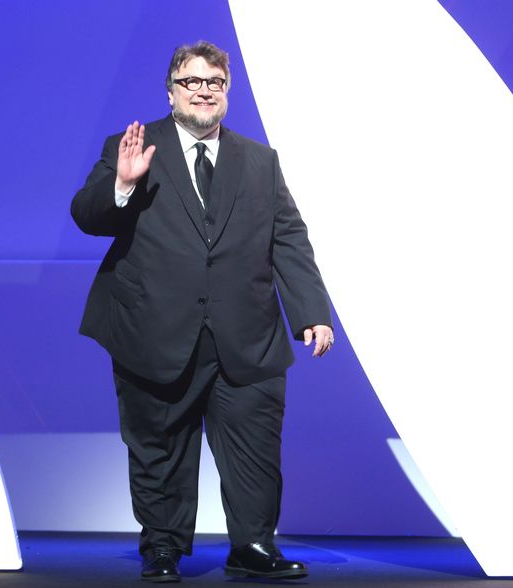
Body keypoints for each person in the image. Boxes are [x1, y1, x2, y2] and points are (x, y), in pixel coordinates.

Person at [71, 40, 333, 582]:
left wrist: (311, 311)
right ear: (171, 94)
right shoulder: (132, 146)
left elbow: (288, 237)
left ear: (226, 94)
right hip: (155, 331)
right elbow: (87, 215)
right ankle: (162, 547)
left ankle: (253, 545)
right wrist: (123, 183)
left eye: (214, 82)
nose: (204, 91)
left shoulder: (259, 161)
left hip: (247, 332)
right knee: (159, 449)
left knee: (255, 449)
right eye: (192, 82)